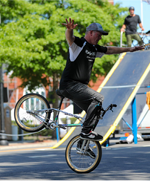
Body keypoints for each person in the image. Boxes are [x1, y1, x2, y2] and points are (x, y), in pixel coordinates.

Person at [60, 18, 143, 157]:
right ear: (91, 33)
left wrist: (130, 49)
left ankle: (83, 144)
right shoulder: (79, 44)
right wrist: (69, 29)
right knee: (99, 98)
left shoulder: (94, 49)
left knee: (97, 110)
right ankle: (86, 132)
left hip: (79, 88)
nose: (100, 38)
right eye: (98, 35)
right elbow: (70, 38)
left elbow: (110, 49)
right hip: (69, 85)